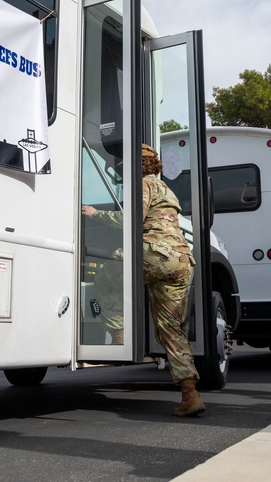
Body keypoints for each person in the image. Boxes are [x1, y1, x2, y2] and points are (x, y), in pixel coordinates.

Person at [81, 144, 205, 417]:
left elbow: (131, 218)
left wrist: (94, 214)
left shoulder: (142, 184)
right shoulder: (166, 189)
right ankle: (190, 393)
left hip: (154, 253)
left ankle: (118, 334)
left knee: (105, 276)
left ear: (135, 167)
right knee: (171, 329)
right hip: (181, 260)